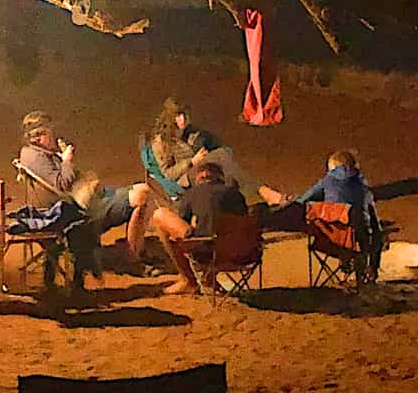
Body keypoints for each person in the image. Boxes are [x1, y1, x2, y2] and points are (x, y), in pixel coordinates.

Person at [17, 111, 149, 284]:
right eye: (49, 133)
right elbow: (62, 184)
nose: (53, 136)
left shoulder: (35, 153)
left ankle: (132, 253)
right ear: (38, 137)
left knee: (139, 189)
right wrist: (66, 161)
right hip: (80, 208)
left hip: (86, 197)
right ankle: (130, 258)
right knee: (142, 194)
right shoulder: (36, 158)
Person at [144, 159, 247, 294]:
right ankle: (209, 280)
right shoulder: (236, 194)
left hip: (209, 255)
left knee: (160, 216)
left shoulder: (193, 193)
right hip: (243, 255)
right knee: (214, 230)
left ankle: (188, 281)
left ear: (201, 176)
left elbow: (181, 222)